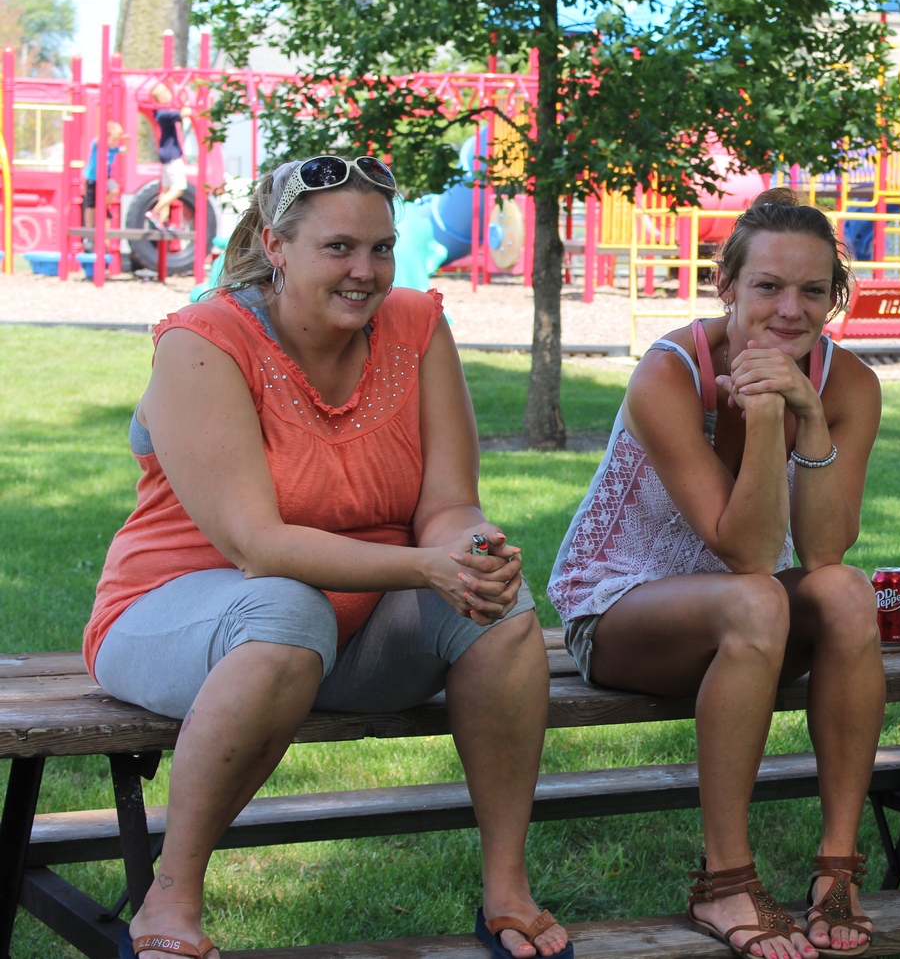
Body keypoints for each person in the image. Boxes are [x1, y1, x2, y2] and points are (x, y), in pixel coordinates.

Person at [86, 155, 572, 959]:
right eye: (339, 247)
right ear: (275, 245)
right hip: (176, 615)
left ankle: (507, 888)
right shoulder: (203, 341)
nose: (366, 271)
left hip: (346, 634)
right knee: (287, 604)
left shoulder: (417, 325)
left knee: (501, 606)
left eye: (381, 248)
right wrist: (425, 567)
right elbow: (257, 544)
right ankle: (169, 898)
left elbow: (448, 501)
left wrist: (470, 548)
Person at [548, 187, 884, 959]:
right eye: (768, 286)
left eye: (813, 290)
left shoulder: (849, 384)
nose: (790, 309)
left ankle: (838, 865)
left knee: (846, 592)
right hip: (621, 611)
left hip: (749, 613)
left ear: (835, 297)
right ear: (726, 284)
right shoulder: (667, 376)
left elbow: (823, 552)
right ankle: (724, 880)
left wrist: (809, 415)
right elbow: (749, 553)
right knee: (757, 599)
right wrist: (766, 414)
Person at [146, 83, 192, 231]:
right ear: (161, 97)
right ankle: (155, 212)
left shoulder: (160, 113)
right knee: (179, 187)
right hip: (172, 155)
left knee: (166, 189)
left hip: (167, 154)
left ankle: (162, 220)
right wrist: (186, 100)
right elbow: (186, 113)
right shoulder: (164, 114)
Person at [83, 121, 126, 227]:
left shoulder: (113, 149)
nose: (115, 143)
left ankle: (104, 204)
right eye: (114, 140)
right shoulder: (98, 145)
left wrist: (128, 141)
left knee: (114, 189)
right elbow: (99, 139)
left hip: (105, 178)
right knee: (91, 204)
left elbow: (125, 150)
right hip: (93, 178)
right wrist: (105, 130)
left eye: (117, 140)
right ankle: (89, 227)